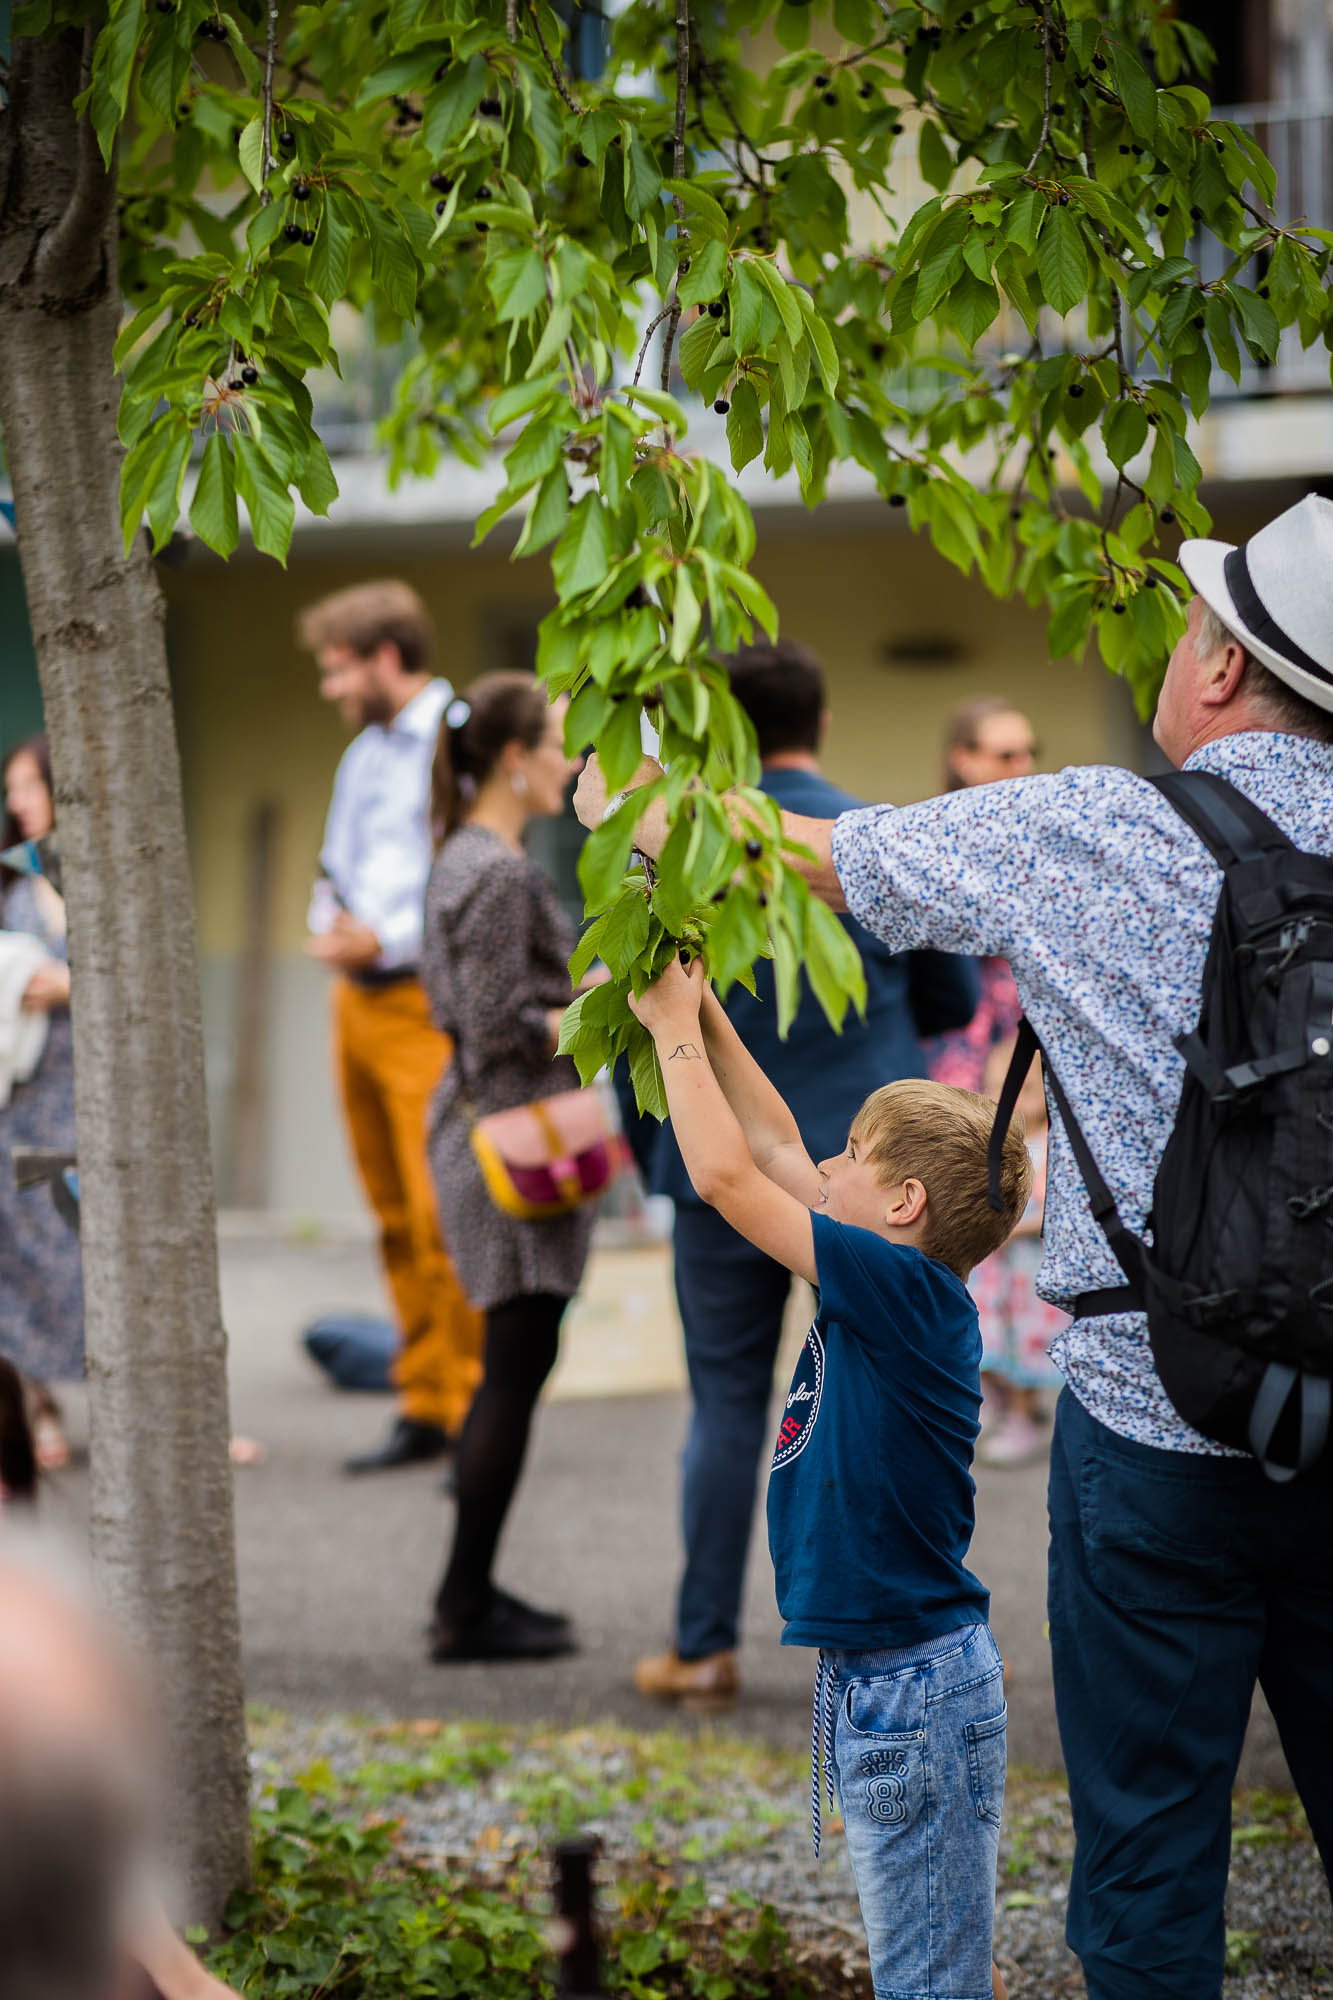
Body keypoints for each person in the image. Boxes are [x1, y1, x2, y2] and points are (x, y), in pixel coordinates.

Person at [574, 491, 1333, 2000]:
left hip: (1151, 1414)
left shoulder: (1098, 827)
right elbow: (780, 1156)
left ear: (1222, 665)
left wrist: (640, 805)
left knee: (1146, 1865)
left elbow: (824, 855)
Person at [629, 954, 1027, 2000]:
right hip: (890, 1678)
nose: (823, 1162)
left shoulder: (900, 1286)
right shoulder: (894, 1271)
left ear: (902, 1202)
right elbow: (769, 1145)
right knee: (934, 1961)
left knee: (927, 1980)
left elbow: (727, 1179)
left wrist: (672, 1032)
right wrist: (706, 1010)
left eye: (849, 1154)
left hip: (912, 1689)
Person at [635, 641, 978, 1708]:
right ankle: (909, 1610)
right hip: (874, 1137)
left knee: (725, 1400)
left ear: (724, 730)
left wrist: (686, 1024)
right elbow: (953, 999)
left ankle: (703, 1644)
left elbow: (741, 1167)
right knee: (883, 1394)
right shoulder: (870, 839)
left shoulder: (682, 847)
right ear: (819, 720)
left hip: (729, 1150)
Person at [421, 673, 595, 1662]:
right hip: (511, 1144)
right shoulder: (500, 872)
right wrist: (602, 1003)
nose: (573, 762)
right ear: (515, 757)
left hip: (485, 1129)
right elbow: (496, 1027)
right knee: (512, 1373)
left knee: (511, 1368)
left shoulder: (462, 853)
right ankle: (465, 1603)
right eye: (561, 744)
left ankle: (469, 1590)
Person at [299, 582, 484, 1474]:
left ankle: (469, 1408)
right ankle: (423, 1398)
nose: (330, 688)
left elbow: (469, 867)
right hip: (356, 997)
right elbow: (336, 862)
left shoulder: (458, 735)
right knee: (388, 1212)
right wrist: (329, 925)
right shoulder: (363, 754)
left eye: (338, 670)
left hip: (421, 1000)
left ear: (383, 657)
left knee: (439, 1209)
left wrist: (385, 938)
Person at [0, 738, 79, 1471]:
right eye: (12, 789)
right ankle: (39, 1408)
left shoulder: (97, 878)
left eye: (30, 785)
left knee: (95, 1246)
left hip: (89, 1098)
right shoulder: (13, 885)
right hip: (25, 1103)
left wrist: (73, 981)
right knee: (28, 1253)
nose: (19, 801)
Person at [922, 698, 1036, 1093]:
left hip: (1023, 1046)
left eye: (1029, 753)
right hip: (954, 1045)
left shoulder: (1034, 842)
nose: (1023, 767)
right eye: (1006, 756)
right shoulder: (928, 840)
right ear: (963, 760)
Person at [973, 1037, 1066, 1466]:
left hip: (1030, 1271)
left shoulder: (1053, 1146)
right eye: (994, 1087)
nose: (1005, 1100)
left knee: (1021, 1345)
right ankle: (996, 1399)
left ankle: (1024, 1415)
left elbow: (1055, 1210)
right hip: (993, 1271)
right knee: (986, 1335)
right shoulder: (992, 1143)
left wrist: (1014, 1226)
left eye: (1023, 1090)